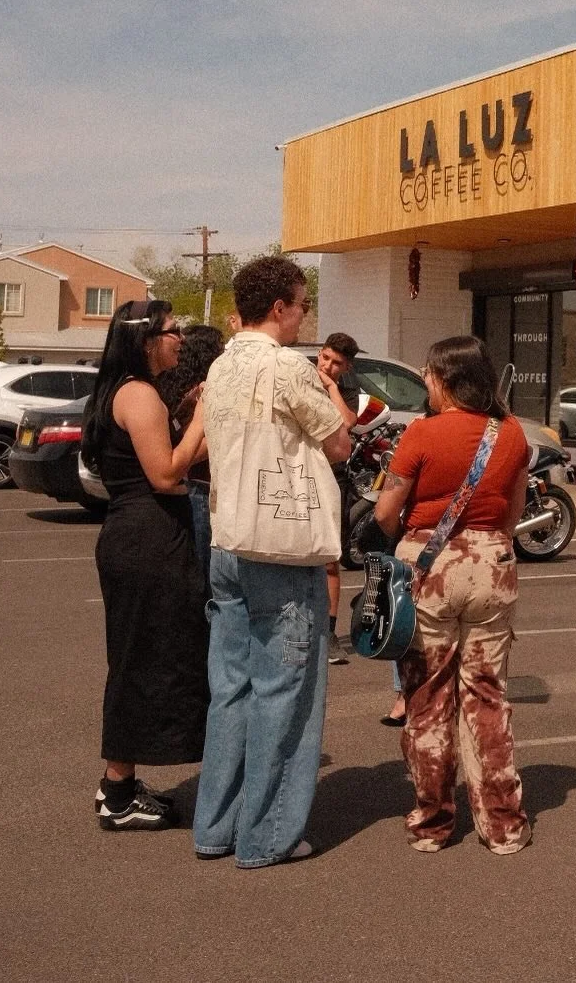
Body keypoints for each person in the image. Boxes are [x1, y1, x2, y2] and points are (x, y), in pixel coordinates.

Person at [192, 256, 351, 867]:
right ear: (280, 307)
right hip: (281, 545)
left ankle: (217, 826)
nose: (305, 312)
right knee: (287, 689)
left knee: (230, 689)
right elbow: (337, 442)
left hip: (227, 539)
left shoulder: (223, 363)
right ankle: (267, 836)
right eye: (301, 302)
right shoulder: (288, 367)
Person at [372, 335, 531, 854]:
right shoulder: (511, 434)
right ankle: (503, 826)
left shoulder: (421, 433)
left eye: (429, 375)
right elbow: (511, 515)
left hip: (430, 568)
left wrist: (409, 538)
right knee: (488, 695)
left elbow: (383, 513)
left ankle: (434, 822)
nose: (426, 382)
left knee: (428, 696)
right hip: (492, 564)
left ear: (446, 379)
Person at [85, 300, 210, 830]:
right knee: (141, 660)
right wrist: (204, 419)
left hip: (137, 535)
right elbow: (164, 474)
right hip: (147, 540)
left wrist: (183, 412)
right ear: (144, 341)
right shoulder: (138, 395)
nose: (179, 338)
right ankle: (117, 793)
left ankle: (122, 782)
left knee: (141, 654)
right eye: (171, 331)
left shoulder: (133, 393)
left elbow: (159, 456)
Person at [157, 324, 225, 585]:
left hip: (192, 486)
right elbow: (188, 448)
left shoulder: (172, 386)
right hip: (198, 487)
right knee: (204, 574)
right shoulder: (199, 394)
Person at [315, 331, 363, 665]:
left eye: (337, 363)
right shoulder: (300, 378)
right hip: (301, 475)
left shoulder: (345, 390)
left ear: (346, 367)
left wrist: (331, 388)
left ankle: (329, 633)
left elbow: (348, 422)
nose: (328, 366)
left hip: (334, 477)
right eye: (325, 358)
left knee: (331, 557)